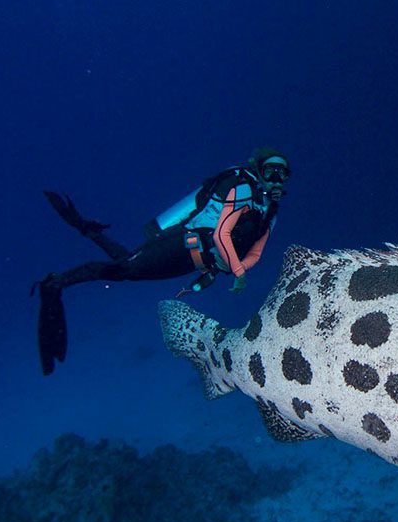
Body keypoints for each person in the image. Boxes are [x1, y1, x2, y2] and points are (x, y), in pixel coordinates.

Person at [33, 148, 291, 375]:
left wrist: (239, 266)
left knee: (128, 266)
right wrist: (238, 272)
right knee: (126, 270)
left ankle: (88, 230)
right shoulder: (243, 190)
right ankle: (54, 284)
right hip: (182, 243)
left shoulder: (270, 212)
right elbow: (221, 233)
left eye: (282, 173)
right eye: (271, 171)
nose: (276, 178)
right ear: (259, 171)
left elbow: (255, 253)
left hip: (196, 260)